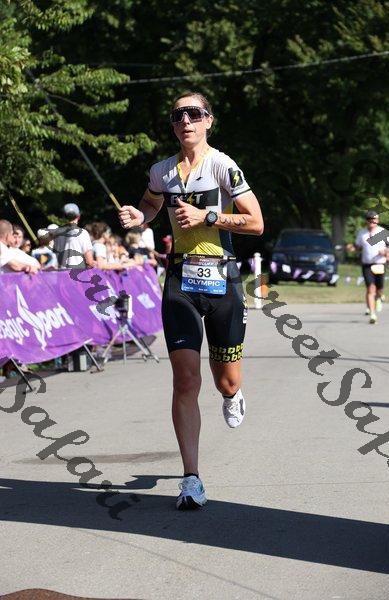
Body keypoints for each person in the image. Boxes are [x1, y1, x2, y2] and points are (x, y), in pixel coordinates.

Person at [118, 91, 264, 510]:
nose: (186, 121)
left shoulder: (223, 166)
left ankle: (232, 395)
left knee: (226, 381)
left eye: (194, 114)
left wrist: (208, 217)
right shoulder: (162, 171)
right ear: (173, 124)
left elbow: (256, 222)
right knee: (185, 380)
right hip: (181, 279)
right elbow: (151, 202)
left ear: (208, 121)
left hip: (222, 278)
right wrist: (140, 217)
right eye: (178, 115)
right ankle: (191, 478)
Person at [354, 209, 389, 324]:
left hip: (379, 264)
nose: (371, 221)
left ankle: (379, 297)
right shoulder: (362, 233)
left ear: (377, 220)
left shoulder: (383, 232)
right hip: (367, 265)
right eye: (369, 219)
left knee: (379, 289)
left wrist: (385, 251)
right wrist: (352, 248)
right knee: (370, 288)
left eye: (374, 219)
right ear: (366, 221)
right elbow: (357, 246)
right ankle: (372, 314)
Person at [53, 203, 95, 269]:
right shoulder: (83, 233)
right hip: (78, 273)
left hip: (61, 273)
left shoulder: (57, 233)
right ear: (78, 216)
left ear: (64, 217)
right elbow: (89, 261)